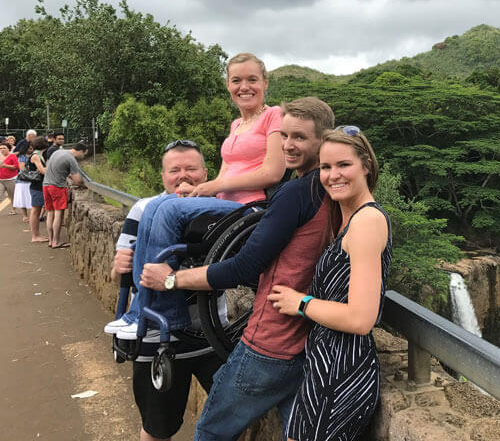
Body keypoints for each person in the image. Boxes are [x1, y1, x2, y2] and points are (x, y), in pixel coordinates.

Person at [139, 97, 336, 441]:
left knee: (211, 432)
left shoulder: (294, 194)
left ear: (324, 140)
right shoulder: (331, 190)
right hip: (310, 339)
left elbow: (245, 267)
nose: (288, 145)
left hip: (271, 342)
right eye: (284, 136)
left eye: (300, 138)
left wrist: (171, 279)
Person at [105, 52, 286, 336]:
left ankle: (150, 314)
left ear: (265, 82)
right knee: (159, 204)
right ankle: (143, 311)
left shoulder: (274, 116)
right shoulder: (236, 125)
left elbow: (273, 172)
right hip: (224, 205)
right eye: (236, 80)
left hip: (251, 210)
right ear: (228, 85)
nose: (244, 86)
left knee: (166, 209)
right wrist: (198, 190)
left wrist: (210, 188)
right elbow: (225, 178)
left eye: (252, 79)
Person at [268, 126, 392, 441]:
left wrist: (301, 303)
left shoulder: (367, 222)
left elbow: (361, 319)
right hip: (325, 365)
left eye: (343, 165)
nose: (333, 174)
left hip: (342, 372)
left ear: (366, 165)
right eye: (326, 167)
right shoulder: (347, 221)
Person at [112, 140, 226, 441]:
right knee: (157, 426)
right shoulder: (143, 209)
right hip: (158, 340)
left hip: (213, 334)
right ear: (163, 176)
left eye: (191, 168)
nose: (183, 176)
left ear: (205, 172)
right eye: (174, 170)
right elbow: (118, 276)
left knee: (229, 421)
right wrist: (121, 264)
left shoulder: (220, 208)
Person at [42, 141, 87, 248]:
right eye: (84, 154)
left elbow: (50, 166)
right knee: (58, 214)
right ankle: (56, 241)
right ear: (80, 151)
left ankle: (50, 240)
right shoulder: (71, 159)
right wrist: (84, 184)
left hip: (46, 185)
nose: (83, 156)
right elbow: (77, 180)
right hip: (57, 187)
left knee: (50, 213)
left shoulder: (58, 152)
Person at [26, 137, 49, 242]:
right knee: (36, 211)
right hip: (37, 187)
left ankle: (37, 234)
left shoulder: (39, 155)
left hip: (38, 186)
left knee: (37, 210)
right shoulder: (36, 156)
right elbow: (42, 170)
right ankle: (35, 236)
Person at [0, 142, 20, 214]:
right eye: (0, 148)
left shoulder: (12, 156)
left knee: (12, 196)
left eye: (4, 148)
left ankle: (13, 210)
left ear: (9, 149)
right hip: (0, 180)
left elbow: (17, 167)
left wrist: (6, 166)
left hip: (11, 179)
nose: (2, 150)